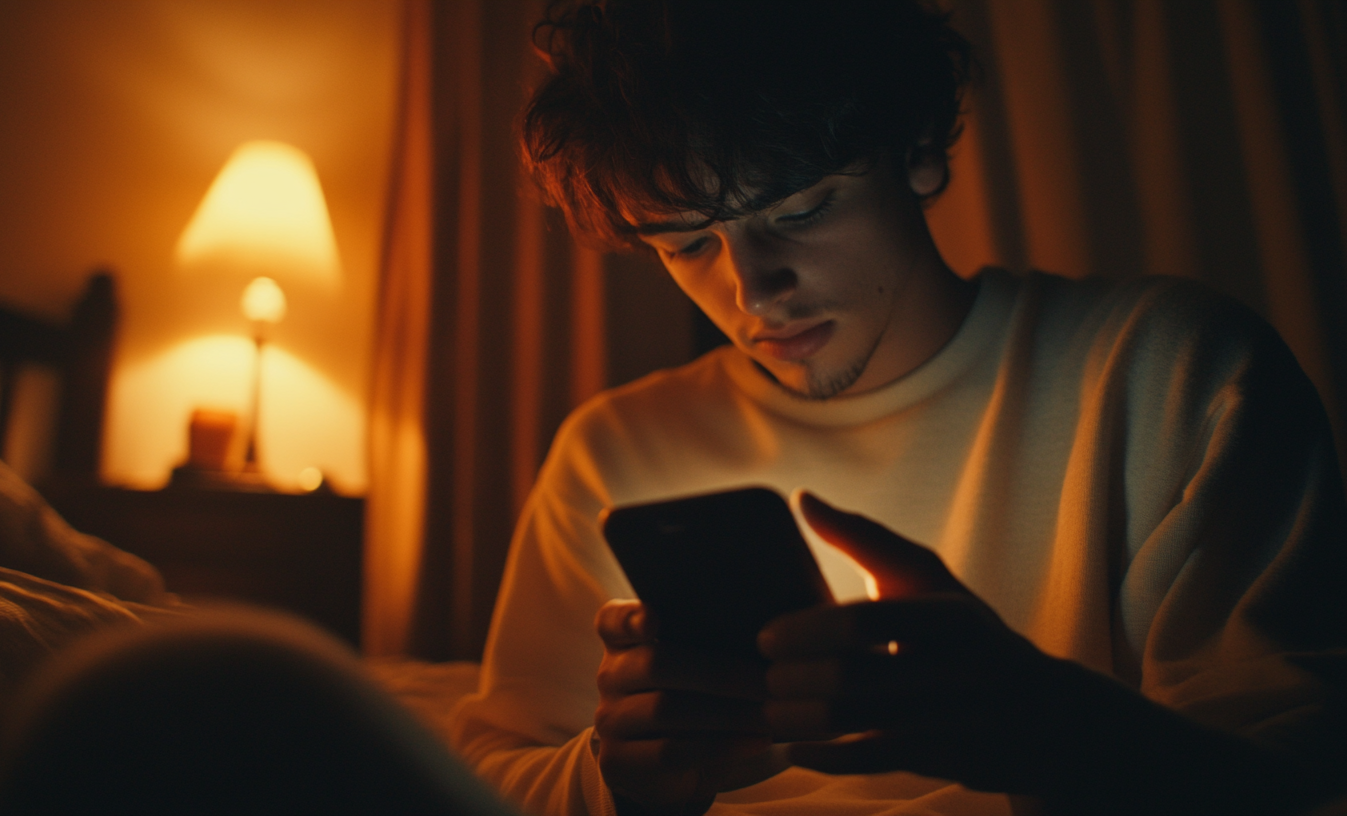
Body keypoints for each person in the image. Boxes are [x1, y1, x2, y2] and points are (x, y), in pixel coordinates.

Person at [450, 1, 1347, 814]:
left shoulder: (1169, 370)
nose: (752, 293)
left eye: (800, 212)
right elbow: (485, 776)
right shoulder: (615, 448)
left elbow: (1295, 773)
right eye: (688, 245)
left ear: (916, 149)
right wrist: (610, 777)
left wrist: (1055, 732)